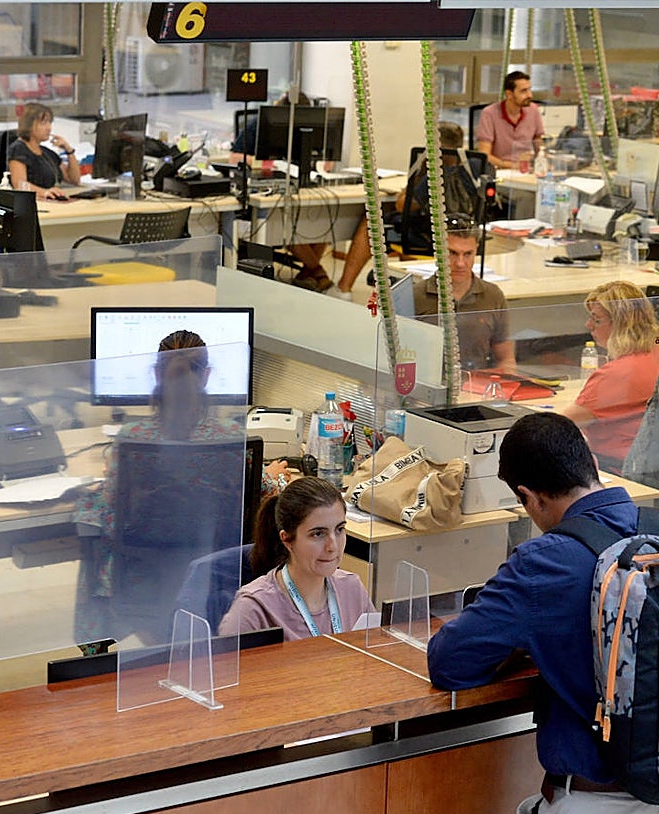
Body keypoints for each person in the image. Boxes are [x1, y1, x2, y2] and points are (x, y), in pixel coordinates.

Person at [426, 412, 659, 814]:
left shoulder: (541, 564)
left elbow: (450, 664)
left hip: (599, 813)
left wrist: (529, 647)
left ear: (529, 498)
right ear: (593, 466)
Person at [73, 330, 288, 646]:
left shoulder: (134, 439)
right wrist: (274, 474)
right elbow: (267, 491)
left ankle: (95, 652)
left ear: (156, 375)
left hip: (146, 577)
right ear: (207, 377)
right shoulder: (232, 440)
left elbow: (112, 509)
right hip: (214, 574)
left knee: (92, 522)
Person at [218, 476, 374, 641]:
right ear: (287, 540)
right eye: (318, 534)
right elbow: (224, 666)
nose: (333, 546)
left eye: (339, 529)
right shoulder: (252, 609)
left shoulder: (352, 588)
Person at [335, 121, 477, 299]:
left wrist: (417, 176)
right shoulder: (473, 170)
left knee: (371, 222)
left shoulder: (434, 174)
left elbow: (402, 206)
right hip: (463, 234)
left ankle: (344, 289)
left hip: (429, 236)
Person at [231, 91, 331, 291]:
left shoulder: (310, 128)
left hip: (303, 187)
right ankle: (317, 270)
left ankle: (310, 272)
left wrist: (316, 164)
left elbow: (327, 161)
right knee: (288, 224)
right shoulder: (259, 125)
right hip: (269, 189)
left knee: (326, 221)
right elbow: (235, 157)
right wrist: (270, 164)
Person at [561, 281, 659, 472]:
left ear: (621, 325)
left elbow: (558, 425)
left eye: (597, 320)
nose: (588, 325)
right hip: (650, 465)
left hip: (614, 467)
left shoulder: (618, 373)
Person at [412, 214, 516, 374]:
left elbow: (506, 360)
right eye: (452, 253)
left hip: (477, 389)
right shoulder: (415, 297)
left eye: (467, 254)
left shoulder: (493, 296)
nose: (460, 263)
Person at [8, 102, 81, 199]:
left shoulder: (47, 153)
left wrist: (69, 151)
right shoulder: (18, 150)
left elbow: (74, 180)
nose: (49, 128)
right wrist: (44, 192)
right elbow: (19, 185)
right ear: (28, 125)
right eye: (43, 123)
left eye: (49, 123)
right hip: (34, 204)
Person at [476, 70, 545, 171]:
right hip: (499, 170)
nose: (529, 95)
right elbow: (484, 155)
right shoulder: (489, 113)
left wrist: (543, 161)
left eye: (529, 90)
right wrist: (511, 165)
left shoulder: (533, 110)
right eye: (523, 91)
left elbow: (539, 145)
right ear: (509, 94)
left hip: (526, 169)